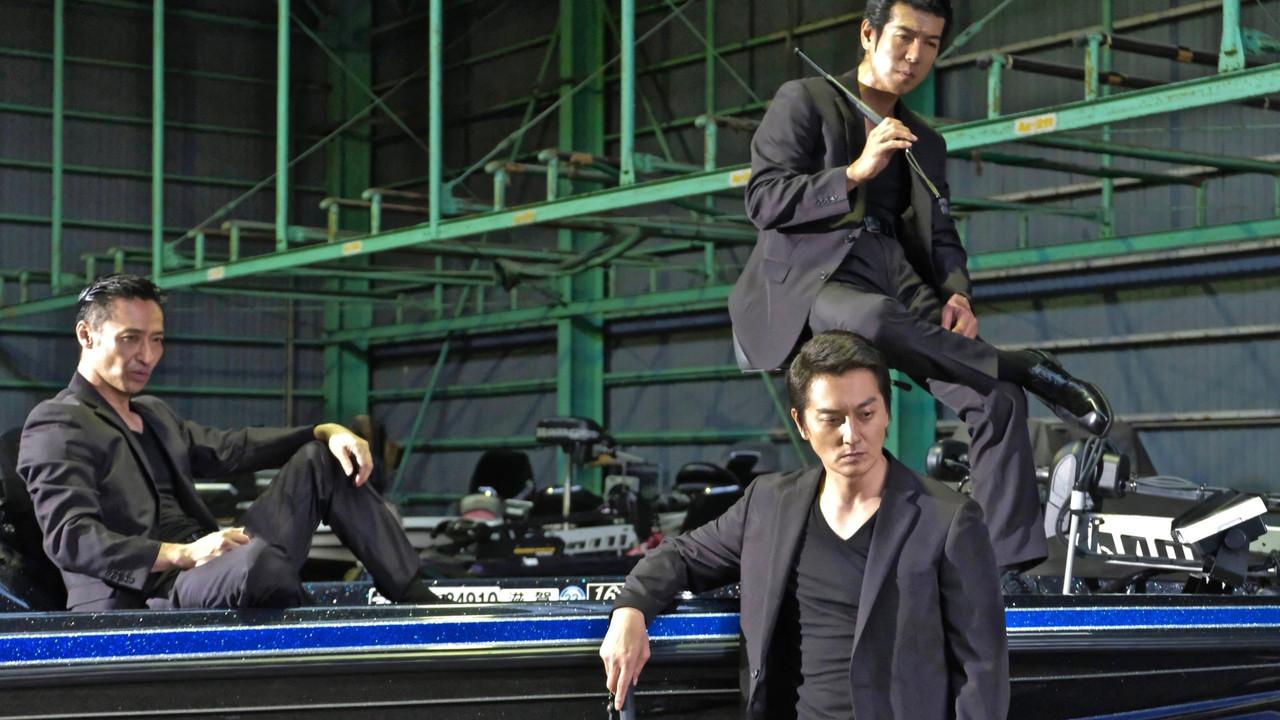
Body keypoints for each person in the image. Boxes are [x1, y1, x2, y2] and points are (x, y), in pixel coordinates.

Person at [728, 0, 1112, 575]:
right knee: (874, 321)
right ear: (868, 33)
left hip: (897, 274)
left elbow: (943, 236)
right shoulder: (804, 99)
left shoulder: (926, 141)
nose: (915, 55)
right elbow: (763, 200)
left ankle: (1002, 570)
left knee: (997, 399)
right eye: (905, 37)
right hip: (818, 276)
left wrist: (957, 293)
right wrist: (854, 172)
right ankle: (1022, 365)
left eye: (931, 43)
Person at [601, 331, 1008, 719]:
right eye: (832, 419)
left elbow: (981, 670)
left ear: (886, 410)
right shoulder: (769, 504)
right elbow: (682, 555)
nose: (852, 435)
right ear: (801, 423)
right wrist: (631, 609)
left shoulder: (947, 519)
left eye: (866, 414)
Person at [18, 274, 433, 611]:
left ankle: (417, 597)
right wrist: (182, 554)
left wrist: (324, 431)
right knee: (256, 561)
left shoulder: (153, 414)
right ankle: (319, 633)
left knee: (322, 459)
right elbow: (71, 538)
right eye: (130, 338)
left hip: (213, 567)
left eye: (156, 339)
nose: (147, 355)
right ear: (86, 335)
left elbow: (233, 448)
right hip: (149, 592)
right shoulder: (57, 422)